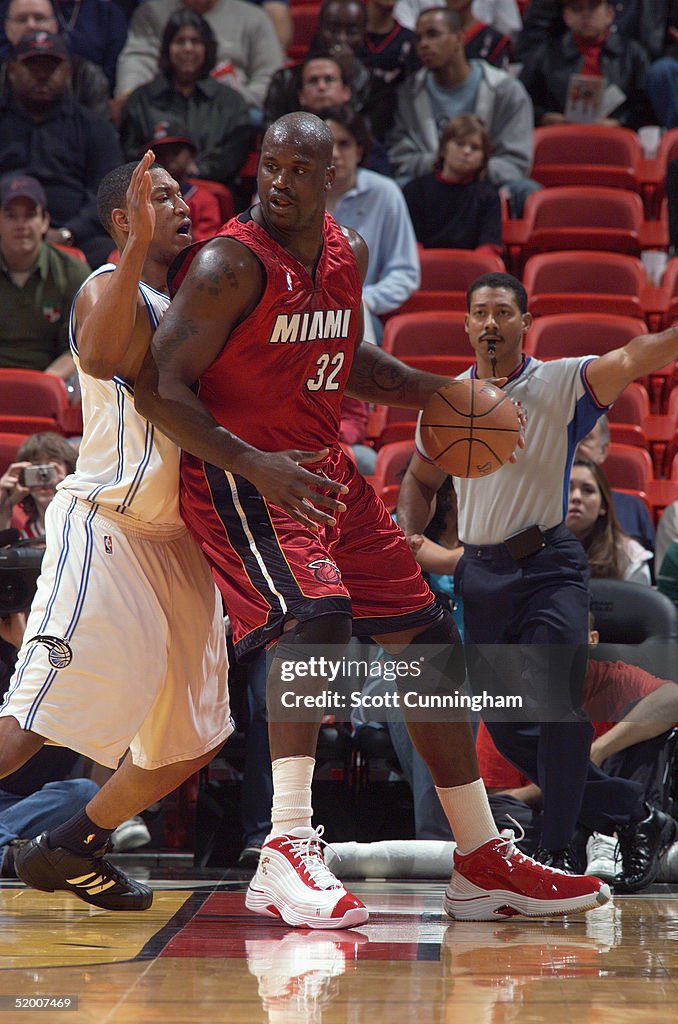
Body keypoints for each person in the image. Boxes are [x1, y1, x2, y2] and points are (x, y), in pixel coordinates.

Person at [134, 110, 610, 929]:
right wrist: (253, 462)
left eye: (297, 169)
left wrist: (439, 392)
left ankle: (479, 856)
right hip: (243, 476)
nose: (278, 181)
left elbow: (346, 362)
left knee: (427, 642)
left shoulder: (346, 254)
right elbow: (156, 385)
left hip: (324, 473)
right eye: (269, 166)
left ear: (333, 178)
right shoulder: (225, 265)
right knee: (316, 618)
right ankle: (283, 847)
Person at [1, 153, 232, 912]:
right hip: (107, 526)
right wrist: (130, 244)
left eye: (180, 194)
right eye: (158, 197)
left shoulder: (192, 306)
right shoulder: (108, 285)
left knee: (191, 740)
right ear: (123, 222)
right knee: (30, 725)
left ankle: (71, 844)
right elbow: (99, 355)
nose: (180, 203)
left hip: (179, 547)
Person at [396, 269, 678, 879]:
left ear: (525, 323)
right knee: (511, 730)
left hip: (548, 565)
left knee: (556, 707)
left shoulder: (558, 382)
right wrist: (409, 530)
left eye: (504, 312)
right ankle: (636, 814)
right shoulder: (448, 402)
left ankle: (557, 849)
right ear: (467, 325)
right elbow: (420, 480)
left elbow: (632, 356)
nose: (491, 322)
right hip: (481, 573)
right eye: (481, 312)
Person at [386, 7, 539, 215]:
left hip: (486, 187)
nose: (423, 45)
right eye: (418, 38)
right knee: (391, 190)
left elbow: (515, 163)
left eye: (433, 34)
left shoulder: (505, 90)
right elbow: (400, 157)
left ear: (459, 38)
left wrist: (470, 166)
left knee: (527, 191)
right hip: (430, 187)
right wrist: (445, 165)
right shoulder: (409, 93)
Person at [0, 30, 123, 267]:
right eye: (33, 67)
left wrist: (69, 232)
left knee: (111, 254)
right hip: (5, 229)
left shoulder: (94, 127)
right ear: (12, 71)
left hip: (76, 238)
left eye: (51, 67)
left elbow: (107, 195)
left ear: (67, 73)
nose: (42, 75)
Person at [0, 611, 99, 880]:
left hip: (30, 804)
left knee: (85, 794)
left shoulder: (65, 652)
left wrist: (27, 651)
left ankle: (9, 848)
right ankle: (12, 853)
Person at [119, 9, 254, 191]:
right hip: (152, 193)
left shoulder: (231, 102)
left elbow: (233, 154)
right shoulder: (141, 99)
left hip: (212, 193)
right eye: (180, 41)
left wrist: (197, 170)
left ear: (207, 48)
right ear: (167, 48)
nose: (188, 48)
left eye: (195, 41)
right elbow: (129, 153)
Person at [320, 104, 420, 336]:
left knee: (356, 319)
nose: (334, 153)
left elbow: (405, 272)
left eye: (344, 144)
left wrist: (363, 299)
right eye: (327, 145)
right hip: (298, 308)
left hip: (360, 310)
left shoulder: (385, 193)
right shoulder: (292, 192)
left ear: (360, 151)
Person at [114, 0, 285, 123]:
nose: (188, 48)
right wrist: (131, 95)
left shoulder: (254, 18)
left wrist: (230, 100)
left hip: (234, 107)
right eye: (181, 42)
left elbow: (270, 79)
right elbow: (137, 59)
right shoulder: (151, 11)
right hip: (166, 103)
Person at [0, 173, 88, 379]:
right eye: (11, 216)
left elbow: (78, 347)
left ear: (44, 222)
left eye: (30, 215)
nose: (22, 225)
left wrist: (41, 386)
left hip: (52, 381)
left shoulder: (73, 272)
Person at [518, 0, 653, 130]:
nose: (586, 14)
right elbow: (521, 100)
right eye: (577, 8)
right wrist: (545, 117)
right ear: (566, 16)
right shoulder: (544, 55)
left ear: (609, 14)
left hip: (615, 139)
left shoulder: (633, 54)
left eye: (593, 7)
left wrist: (620, 123)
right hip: (560, 137)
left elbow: (645, 107)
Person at [402, 112, 502, 251]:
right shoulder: (415, 191)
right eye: (460, 144)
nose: (467, 152)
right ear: (443, 149)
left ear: (484, 158)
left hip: (471, 269)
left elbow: (488, 247)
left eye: (475, 148)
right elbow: (410, 245)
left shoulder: (489, 197)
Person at [0, 0, 111, 119]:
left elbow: (99, 128)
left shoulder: (85, 75)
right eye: (21, 20)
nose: (31, 25)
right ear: (7, 28)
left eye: (39, 18)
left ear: (54, 25)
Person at [576, 414, 655, 555]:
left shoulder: (632, 509)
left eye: (585, 438)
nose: (574, 446)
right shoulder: (538, 505)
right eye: (568, 438)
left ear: (603, 451)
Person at [566, 458, 653, 585]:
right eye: (568, 488)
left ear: (603, 506)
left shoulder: (630, 556)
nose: (576, 497)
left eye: (588, 490)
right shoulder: (536, 548)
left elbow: (640, 603)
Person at [142, 123, 223, 243]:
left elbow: (205, 244)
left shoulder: (204, 198)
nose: (167, 159)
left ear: (191, 155)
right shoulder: (142, 197)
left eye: (175, 152)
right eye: (160, 154)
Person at [0, 431, 77, 537]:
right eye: (36, 468)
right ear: (23, 476)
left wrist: (69, 485)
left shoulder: (85, 526)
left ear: (68, 469)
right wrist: (5, 504)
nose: (43, 476)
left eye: (50, 468)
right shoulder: (25, 538)